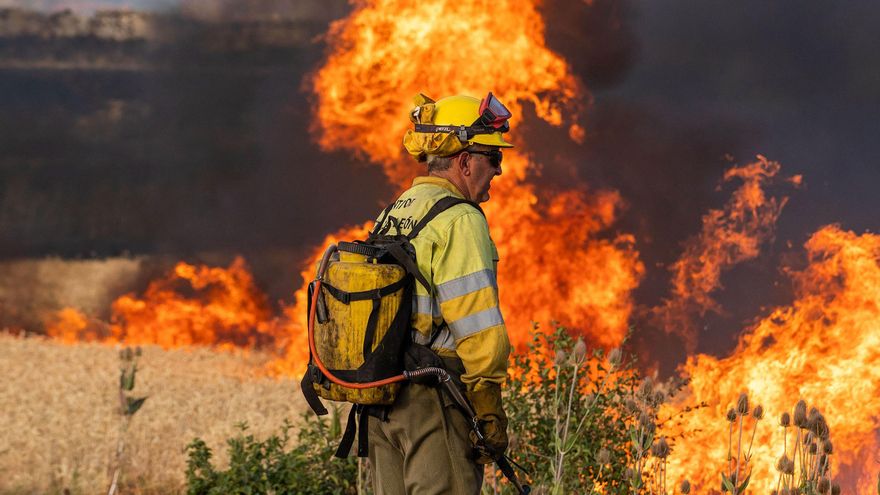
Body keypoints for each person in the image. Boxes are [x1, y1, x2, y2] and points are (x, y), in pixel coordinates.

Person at [366, 93, 513, 494]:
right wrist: (488, 407)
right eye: (492, 157)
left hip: (381, 400)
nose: (498, 169)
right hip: (431, 400)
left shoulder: (395, 211)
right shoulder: (459, 219)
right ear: (465, 161)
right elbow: (478, 328)